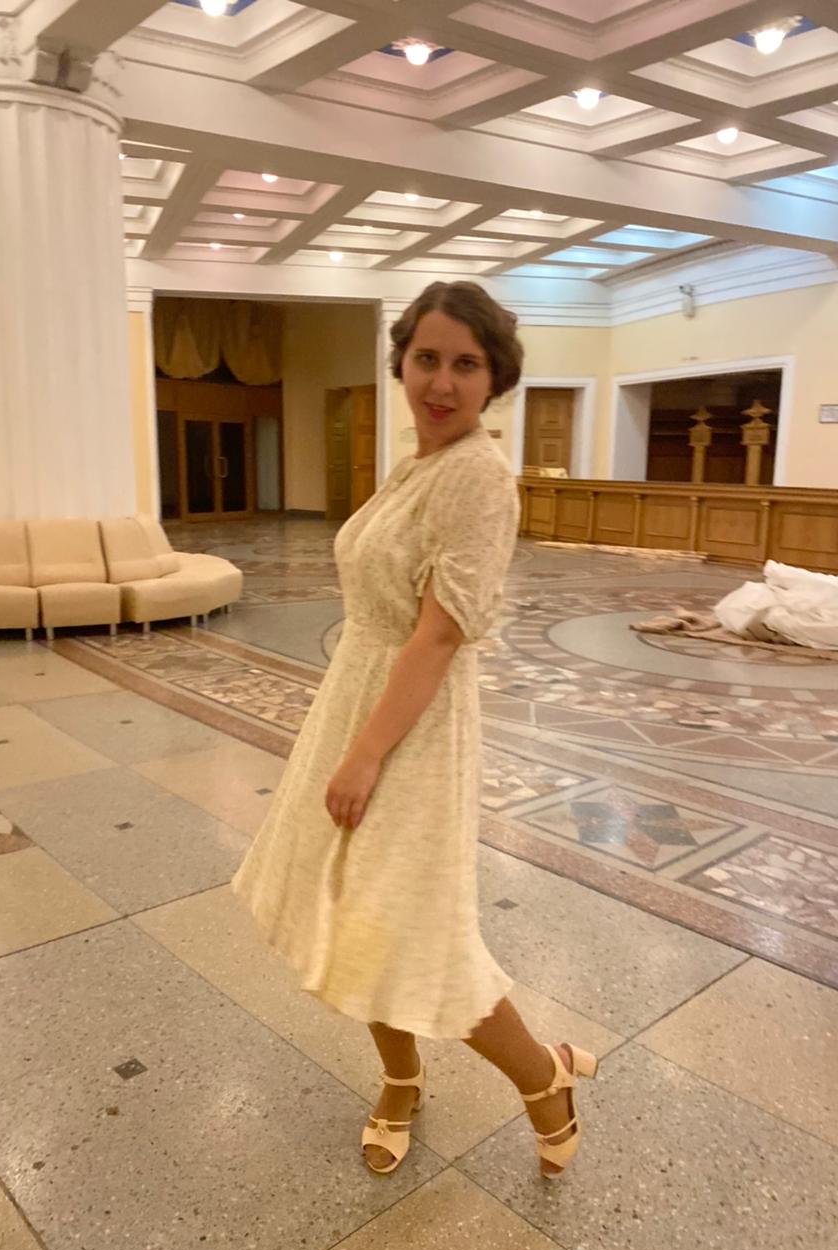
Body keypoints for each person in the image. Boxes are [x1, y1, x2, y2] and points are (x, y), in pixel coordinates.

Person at [232, 280, 597, 1178]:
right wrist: (349, 737)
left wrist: (365, 754)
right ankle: (401, 1078)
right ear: (400, 363)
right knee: (359, 914)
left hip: (413, 726)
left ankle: (542, 1078)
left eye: (466, 364)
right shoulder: (419, 464)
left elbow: (438, 635)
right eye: (427, 358)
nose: (442, 381)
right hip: (361, 698)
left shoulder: (478, 476)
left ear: (495, 378)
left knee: (413, 929)